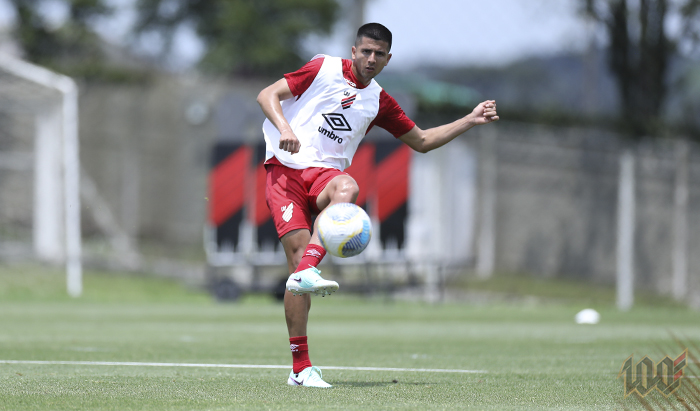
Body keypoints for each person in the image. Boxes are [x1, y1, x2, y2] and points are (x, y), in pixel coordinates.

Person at [257, 23, 499, 388]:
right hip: (285, 172)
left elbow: (421, 140)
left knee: (348, 186)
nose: (371, 58)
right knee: (297, 264)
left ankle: (308, 269)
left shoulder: (379, 101)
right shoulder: (323, 68)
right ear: (354, 51)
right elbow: (267, 95)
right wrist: (285, 129)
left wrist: (470, 119)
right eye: (366, 51)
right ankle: (300, 368)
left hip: (324, 176)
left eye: (379, 54)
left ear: (388, 59)